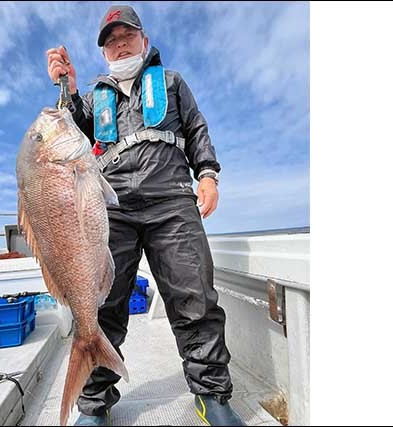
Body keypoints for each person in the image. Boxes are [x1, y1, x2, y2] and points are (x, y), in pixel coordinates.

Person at [46, 5, 246, 426]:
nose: (120, 45)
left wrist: (207, 174)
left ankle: (212, 397)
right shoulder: (91, 99)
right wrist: (66, 87)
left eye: (126, 37)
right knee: (101, 305)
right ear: (105, 53)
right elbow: (64, 135)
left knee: (195, 300)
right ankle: (94, 406)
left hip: (172, 200)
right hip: (111, 209)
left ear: (144, 41)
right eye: (111, 42)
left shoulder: (171, 83)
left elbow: (196, 130)